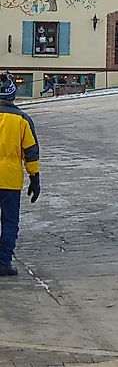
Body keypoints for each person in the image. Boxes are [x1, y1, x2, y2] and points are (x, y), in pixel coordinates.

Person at [0, 73, 40, 275]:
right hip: (10, 180)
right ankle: (3, 262)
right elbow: (31, 151)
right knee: (9, 221)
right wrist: (35, 177)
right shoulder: (22, 119)